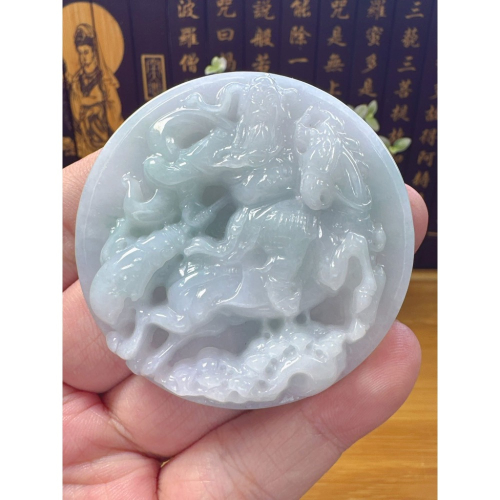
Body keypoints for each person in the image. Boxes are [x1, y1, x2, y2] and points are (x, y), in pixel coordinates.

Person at [63, 151, 428, 499]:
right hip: (262, 276)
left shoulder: (278, 215)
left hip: (263, 267)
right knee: (277, 295)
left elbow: (240, 249)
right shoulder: (266, 216)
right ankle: (152, 335)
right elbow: (237, 250)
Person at [68, 24, 123, 158]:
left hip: (103, 138)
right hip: (84, 142)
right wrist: (90, 102)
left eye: (86, 52)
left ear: (94, 51)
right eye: (80, 53)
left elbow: (115, 112)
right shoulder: (76, 81)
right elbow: (76, 111)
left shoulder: (106, 81)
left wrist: (96, 108)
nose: (83, 57)